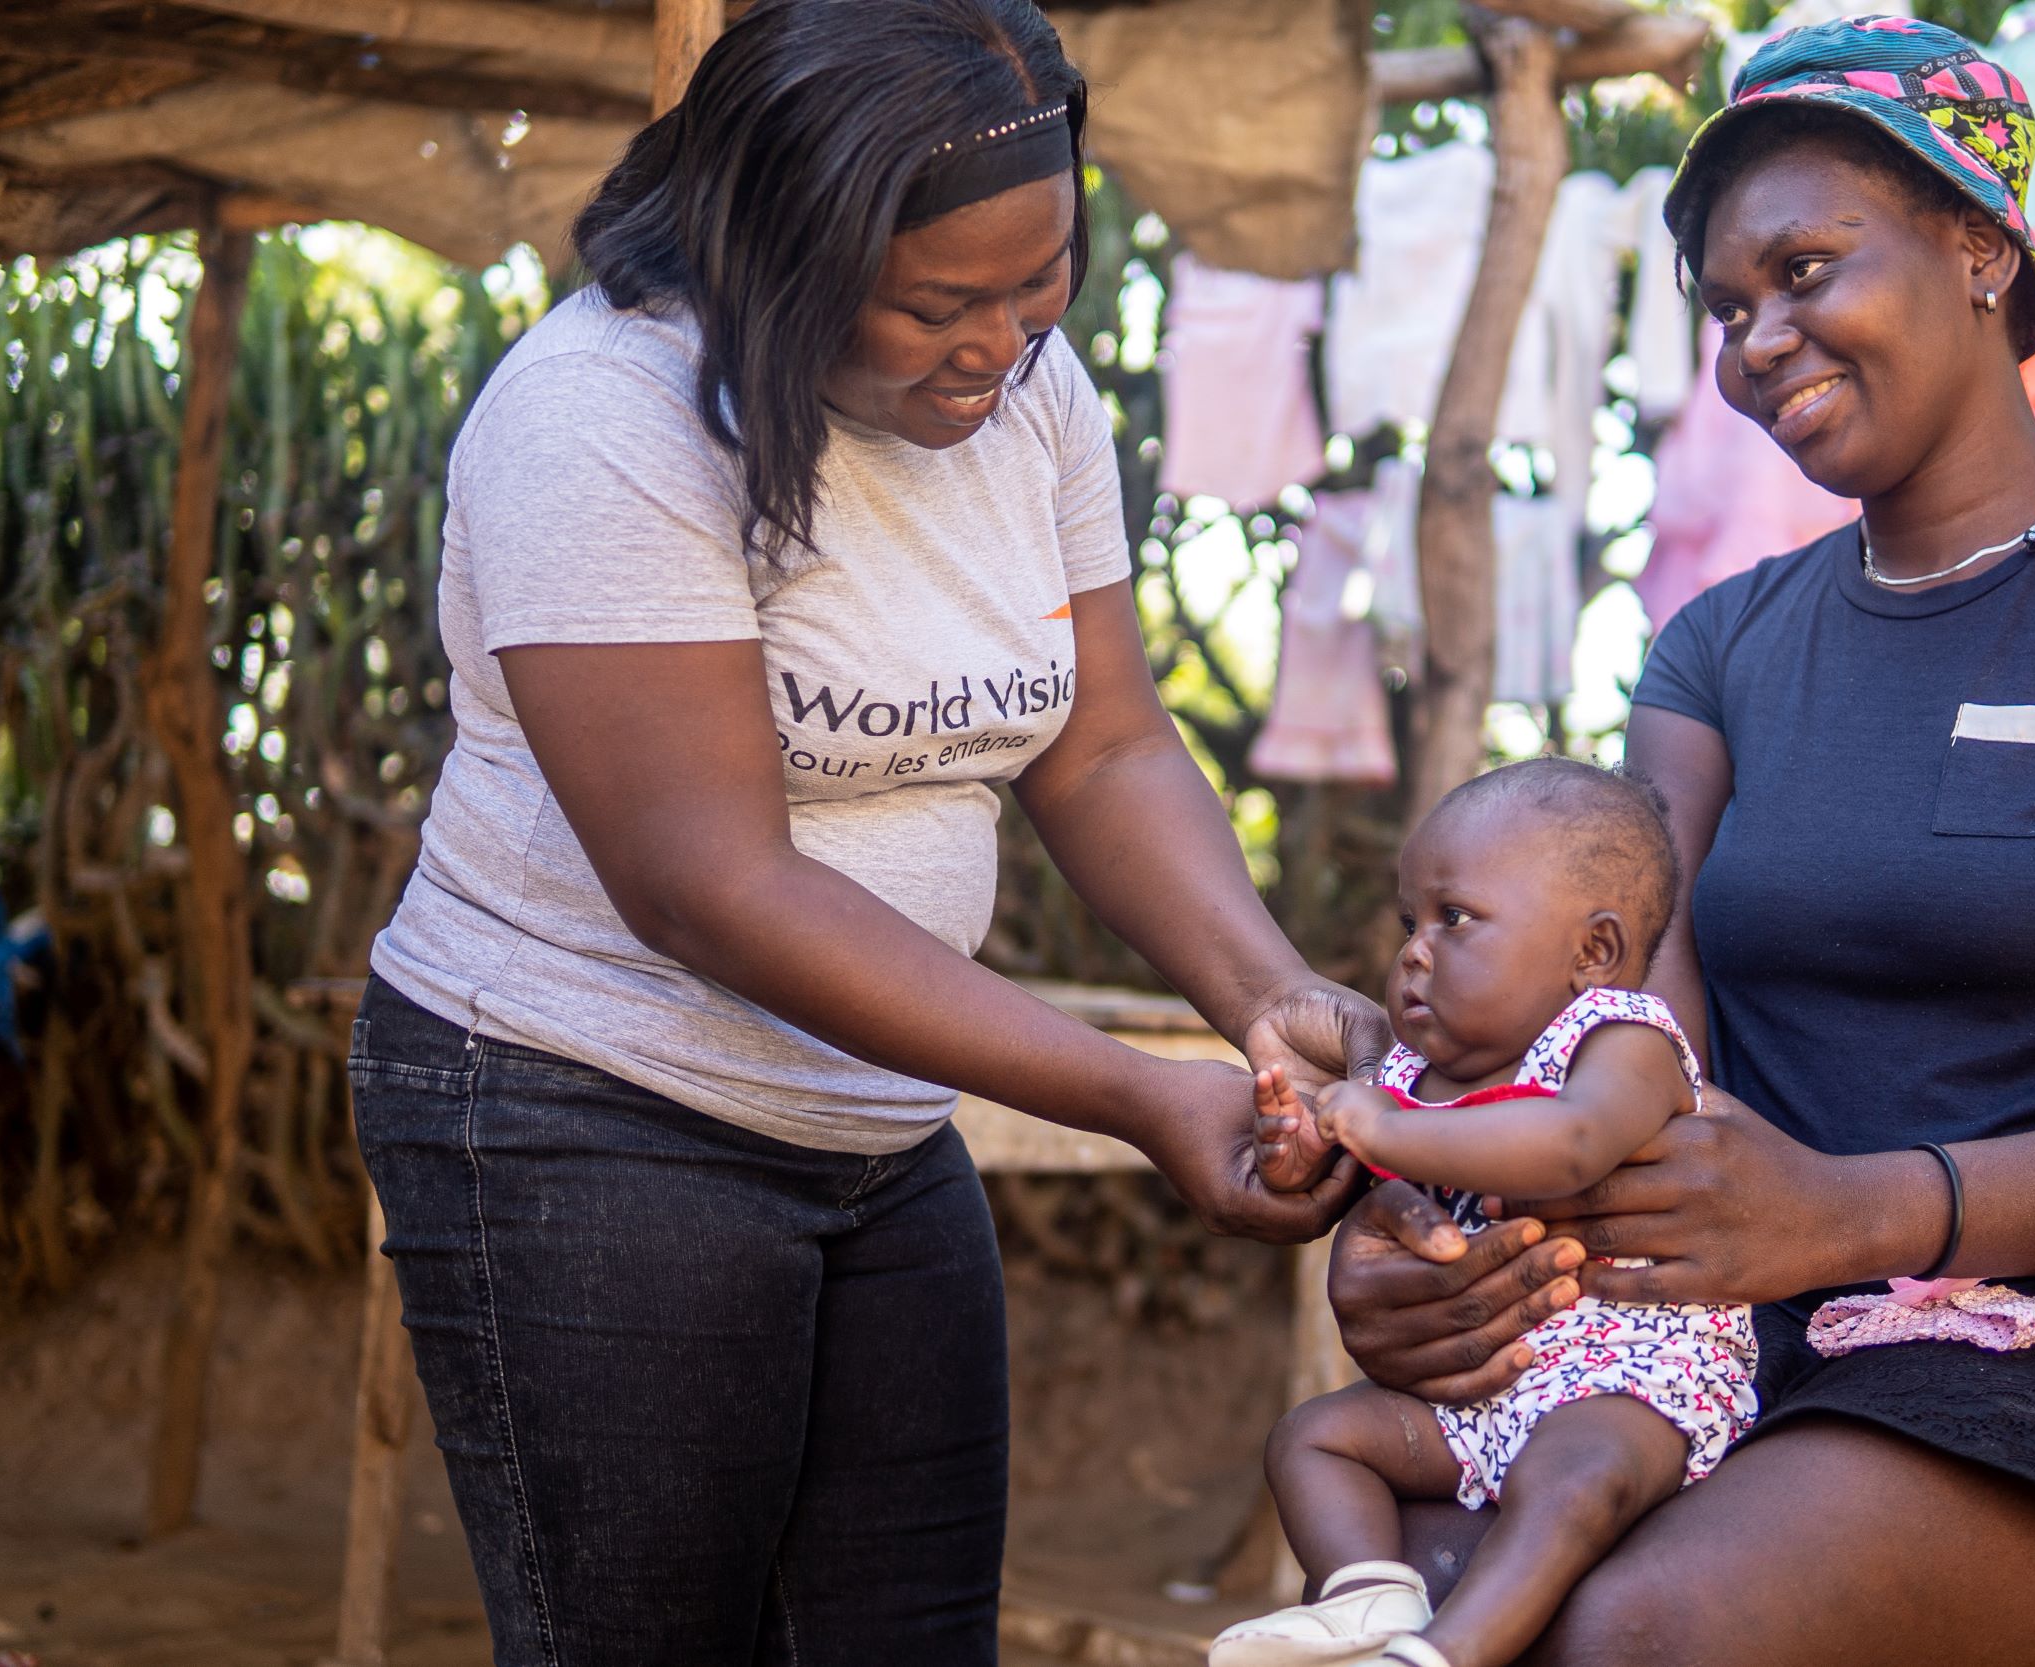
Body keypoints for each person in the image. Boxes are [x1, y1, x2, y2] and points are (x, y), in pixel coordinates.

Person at [1317, 19, 2035, 1666]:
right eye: (1728, 309)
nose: (1760, 338)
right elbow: (1625, 1049)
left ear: (1979, 245)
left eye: (1806, 267)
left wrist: (1864, 1209)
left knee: (1633, 1625)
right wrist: (1436, 1247)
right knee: (1399, 1548)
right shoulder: (1716, 652)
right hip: (1776, 1329)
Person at [342, 5, 1383, 1664]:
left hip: (877, 1131)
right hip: (582, 1108)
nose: (1000, 342)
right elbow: (710, 886)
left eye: (1041, 282)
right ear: (781, 257)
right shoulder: (603, 417)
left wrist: (1263, 995)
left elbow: (1104, 744)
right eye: (935, 304)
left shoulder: (1034, 398)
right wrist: (1132, 1094)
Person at [1215, 760, 1757, 1667]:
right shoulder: (1409, 1075)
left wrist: (1384, 1125)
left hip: (1628, 1378)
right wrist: (1305, 1149)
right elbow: (1371, 1170)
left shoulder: (1624, 1042)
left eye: (1455, 919)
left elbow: (1570, 1145)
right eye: (1409, 923)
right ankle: (1368, 1598)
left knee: (1576, 1483)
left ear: (1592, 952)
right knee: (1313, 1437)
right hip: (1484, 1388)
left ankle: (1446, 1654)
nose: (1414, 951)